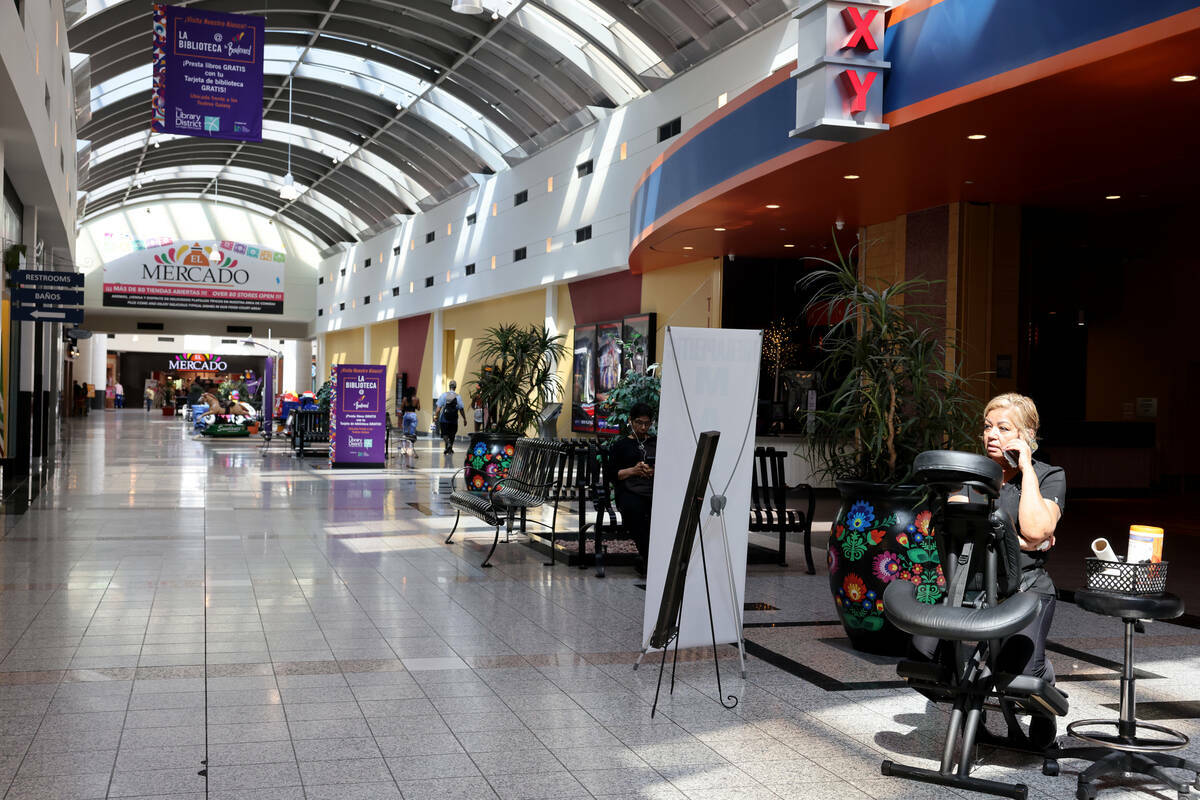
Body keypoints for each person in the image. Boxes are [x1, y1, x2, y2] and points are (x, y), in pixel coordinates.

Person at [913, 393, 1065, 688]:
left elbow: (1035, 531)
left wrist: (1027, 469)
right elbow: (958, 530)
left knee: (1017, 678)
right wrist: (1016, 541)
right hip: (970, 586)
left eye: (1004, 428)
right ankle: (973, 715)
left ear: (1027, 435)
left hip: (1023, 589)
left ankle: (1043, 673)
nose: (991, 434)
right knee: (923, 663)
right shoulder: (973, 474)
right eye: (987, 426)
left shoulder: (1049, 475)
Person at [607, 402, 657, 575]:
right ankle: (651, 559)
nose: (643, 427)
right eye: (639, 423)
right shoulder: (620, 446)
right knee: (634, 511)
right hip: (629, 490)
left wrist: (653, 471)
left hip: (653, 491)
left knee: (659, 513)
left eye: (647, 423)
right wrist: (633, 470)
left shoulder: (657, 443)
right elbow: (612, 474)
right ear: (630, 421)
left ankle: (649, 560)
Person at [435, 380, 467, 455]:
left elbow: (438, 408)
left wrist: (435, 416)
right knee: (452, 434)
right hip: (454, 419)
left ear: (449, 387)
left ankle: (448, 445)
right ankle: (449, 448)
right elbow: (461, 409)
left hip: (444, 418)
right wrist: (464, 419)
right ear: (455, 387)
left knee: (444, 433)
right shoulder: (458, 396)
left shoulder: (444, 395)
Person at [399, 387, 420, 466]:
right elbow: (419, 408)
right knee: (412, 433)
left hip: (406, 415)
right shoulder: (416, 399)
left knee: (405, 433)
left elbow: (401, 408)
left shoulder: (404, 399)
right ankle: (410, 449)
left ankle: (404, 449)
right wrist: (415, 404)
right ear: (414, 392)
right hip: (413, 415)